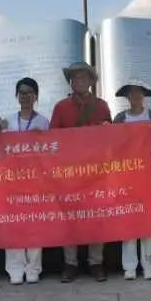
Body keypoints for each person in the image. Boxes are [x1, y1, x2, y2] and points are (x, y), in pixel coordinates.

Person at [50, 61, 112, 282]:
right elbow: (52, 140)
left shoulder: (102, 106)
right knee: (70, 218)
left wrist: (107, 130)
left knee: (96, 217)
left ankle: (96, 262)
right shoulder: (61, 107)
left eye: (83, 77)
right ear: (70, 82)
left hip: (95, 172)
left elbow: (112, 140)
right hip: (69, 174)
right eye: (75, 78)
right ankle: (70, 264)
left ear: (91, 81)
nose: (79, 81)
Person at [0, 77, 50, 284]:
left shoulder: (43, 122)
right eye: (21, 92)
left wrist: (42, 138)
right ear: (16, 96)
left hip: (35, 181)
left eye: (29, 92)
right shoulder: (7, 121)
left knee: (34, 224)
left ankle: (33, 268)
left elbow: (51, 152)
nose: (25, 96)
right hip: (11, 181)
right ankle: (15, 268)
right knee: (14, 224)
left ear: (35, 96)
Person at [113, 79, 151, 280]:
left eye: (138, 93)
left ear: (144, 96)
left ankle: (148, 264)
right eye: (131, 93)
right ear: (127, 97)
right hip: (126, 175)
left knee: (148, 219)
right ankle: (129, 266)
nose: (135, 96)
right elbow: (114, 147)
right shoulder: (120, 118)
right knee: (128, 218)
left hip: (148, 173)